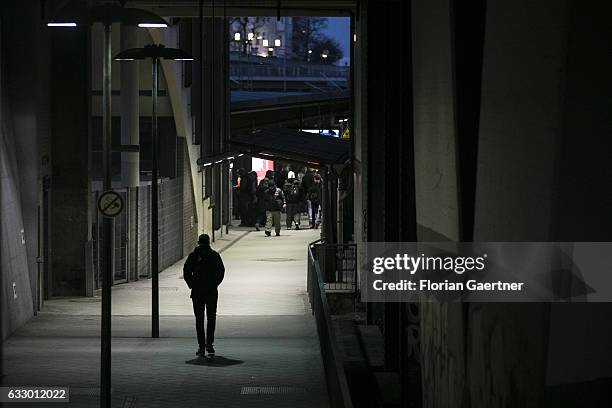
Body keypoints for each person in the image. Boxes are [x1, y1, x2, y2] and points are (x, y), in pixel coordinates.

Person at [183, 234, 225, 358]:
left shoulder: (193, 256)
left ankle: (201, 346)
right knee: (211, 317)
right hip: (211, 291)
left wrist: (192, 284)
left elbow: (186, 271)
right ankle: (209, 344)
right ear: (208, 242)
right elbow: (221, 272)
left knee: (199, 318)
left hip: (197, 292)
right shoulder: (214, 255)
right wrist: (214, 284)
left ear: (198, 242)